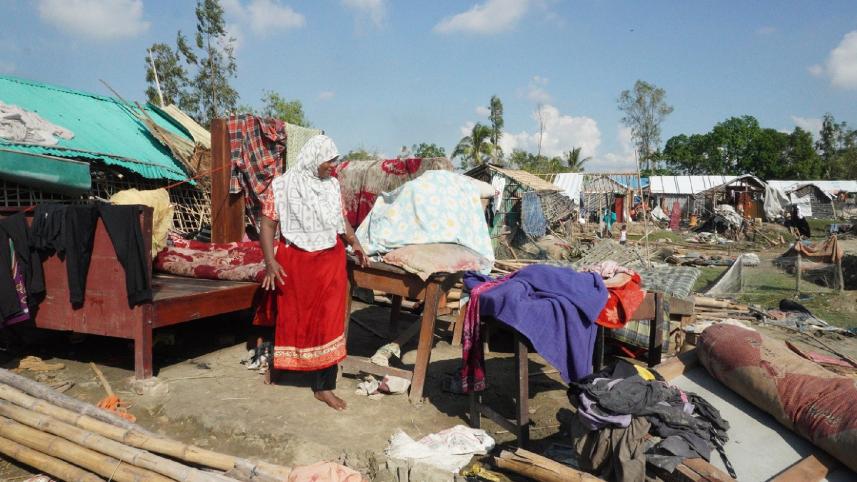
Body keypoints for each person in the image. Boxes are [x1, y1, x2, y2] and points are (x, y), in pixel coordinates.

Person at [259, 135, 369, 411]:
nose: (333, 165)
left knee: (328, 320)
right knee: (291, 316)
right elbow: (268, 224)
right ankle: (281, 366)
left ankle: (323, 386)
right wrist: (270, 262)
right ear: (313, 158)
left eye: (335, 160)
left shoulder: (332, 185)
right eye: (329, 160)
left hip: (329, 261)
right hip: (295, 262)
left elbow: (340, 219)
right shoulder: (282, 185)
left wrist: (354, 242)